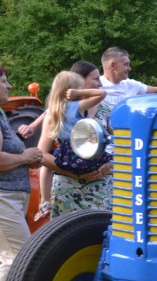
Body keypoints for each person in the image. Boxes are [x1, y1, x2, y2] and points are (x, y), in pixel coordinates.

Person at [0, 65, 44, 281]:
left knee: (8, 259)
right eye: (3, 81)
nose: (8, 86)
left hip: (10, 198)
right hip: (3, 199)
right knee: (25, 256)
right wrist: (25, 157)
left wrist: (18, 140)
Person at [37, 68, 112, 219]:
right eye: (96, 79)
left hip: (99, 185)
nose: (100, 83)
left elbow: (123, 144)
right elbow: (41, 153)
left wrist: (110, 165)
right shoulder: (74, 107)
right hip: (69, 186)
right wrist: (70, 173)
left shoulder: (56, 111)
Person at [100, 46, 157, 110]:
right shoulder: (96, 86)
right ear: (113, 65)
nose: (129, 68)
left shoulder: (131, 85)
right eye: (126, 64)